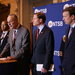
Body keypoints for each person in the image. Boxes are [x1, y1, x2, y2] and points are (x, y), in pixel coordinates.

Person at [62, 6, 75, 75]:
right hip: (67, 69)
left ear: (72, 17)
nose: (63, 19)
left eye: (65, 16)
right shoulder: (68, 29)